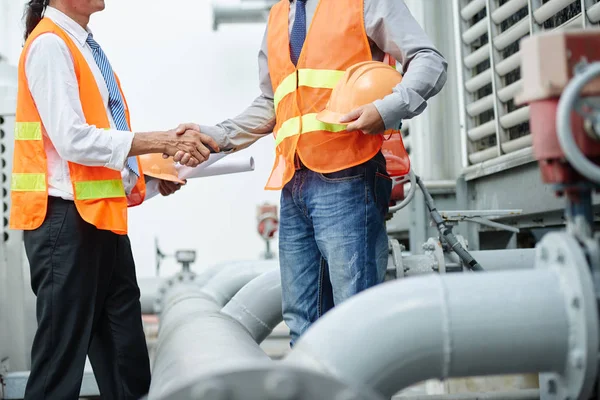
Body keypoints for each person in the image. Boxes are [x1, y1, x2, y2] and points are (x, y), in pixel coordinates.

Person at [177, 0, 448, 345]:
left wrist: (387, 108)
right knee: (302, 321)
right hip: (294, 181)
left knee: (355, 319)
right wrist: (216, 135)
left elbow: (429, 60)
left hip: (349, 175)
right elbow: (272, 101)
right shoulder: (279, 16)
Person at [12, 0, 219, 399]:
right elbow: (73, 140)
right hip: (64, 227)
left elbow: (98, 150)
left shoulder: (84, 47)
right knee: (60, 366)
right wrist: (159, 140)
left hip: (99, 222)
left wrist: (154, 180)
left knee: (126, 361)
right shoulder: (51, 45)